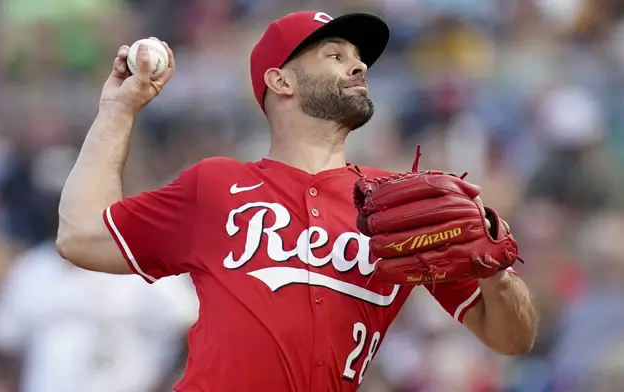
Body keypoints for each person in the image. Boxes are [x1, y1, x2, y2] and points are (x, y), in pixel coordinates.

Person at [56, 10, 537, 392]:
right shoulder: (217, 187)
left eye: (358, 57)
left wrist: (494, 269)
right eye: (334, 54)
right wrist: (118, 110)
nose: (358, 65)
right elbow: (81, 235)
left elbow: (513, 338)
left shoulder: (402, 205)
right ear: (280, 81)